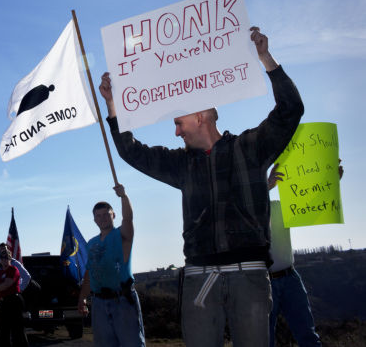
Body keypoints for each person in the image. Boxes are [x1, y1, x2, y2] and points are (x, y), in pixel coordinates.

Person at [99, 27, 304, 347]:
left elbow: (290, 109)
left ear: (203, 115)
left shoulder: (250, 149)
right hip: (198, 278)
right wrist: (113, 106)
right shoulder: (181, 165)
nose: (176, 132)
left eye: (179, 122)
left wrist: (266, 58)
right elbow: (131, 151)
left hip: (249, 276)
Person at [267, 162, 344, 346]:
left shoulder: (281, 208)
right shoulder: (248, 213)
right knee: (264, 340)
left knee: (308, 337)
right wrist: (268, 186)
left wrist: (331, 181)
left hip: (290, 277)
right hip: (263, 283)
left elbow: (310, 202)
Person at [77, 184, 145, 347]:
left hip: (122, 301)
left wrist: (124, 196)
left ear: (113, 215)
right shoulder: (91, 243)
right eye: (98, 216)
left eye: (106, 215)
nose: (102, 219)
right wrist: (82, 298)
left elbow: (128, 218)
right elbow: (89, 272)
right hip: (99, 303)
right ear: (94, 220)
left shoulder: (121, 235)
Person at [0, 248, 29, 347]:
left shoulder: (13, 270)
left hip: (14, 302)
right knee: (2, 333)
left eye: (7, 257)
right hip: (2, 305)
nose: (5, 259)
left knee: (18, 333)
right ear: (0, 259)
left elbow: (6, 285)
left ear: (10, 259)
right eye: (2, 257)